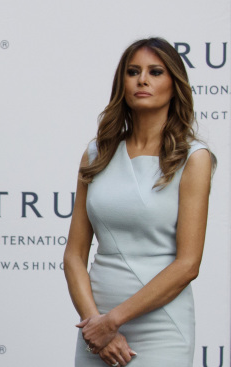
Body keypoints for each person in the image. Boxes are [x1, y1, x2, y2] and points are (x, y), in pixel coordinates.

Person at [63, 37, 216, 367]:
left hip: (161, 327)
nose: (142, 79)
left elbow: (188, 264)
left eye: (155, 71)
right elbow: (74, 256)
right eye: (133, 71)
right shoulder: (96, 153)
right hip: (95, 326)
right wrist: (97, 325)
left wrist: (113, 321)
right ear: (123, 83)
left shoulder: (193, 157)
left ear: (175, 85)